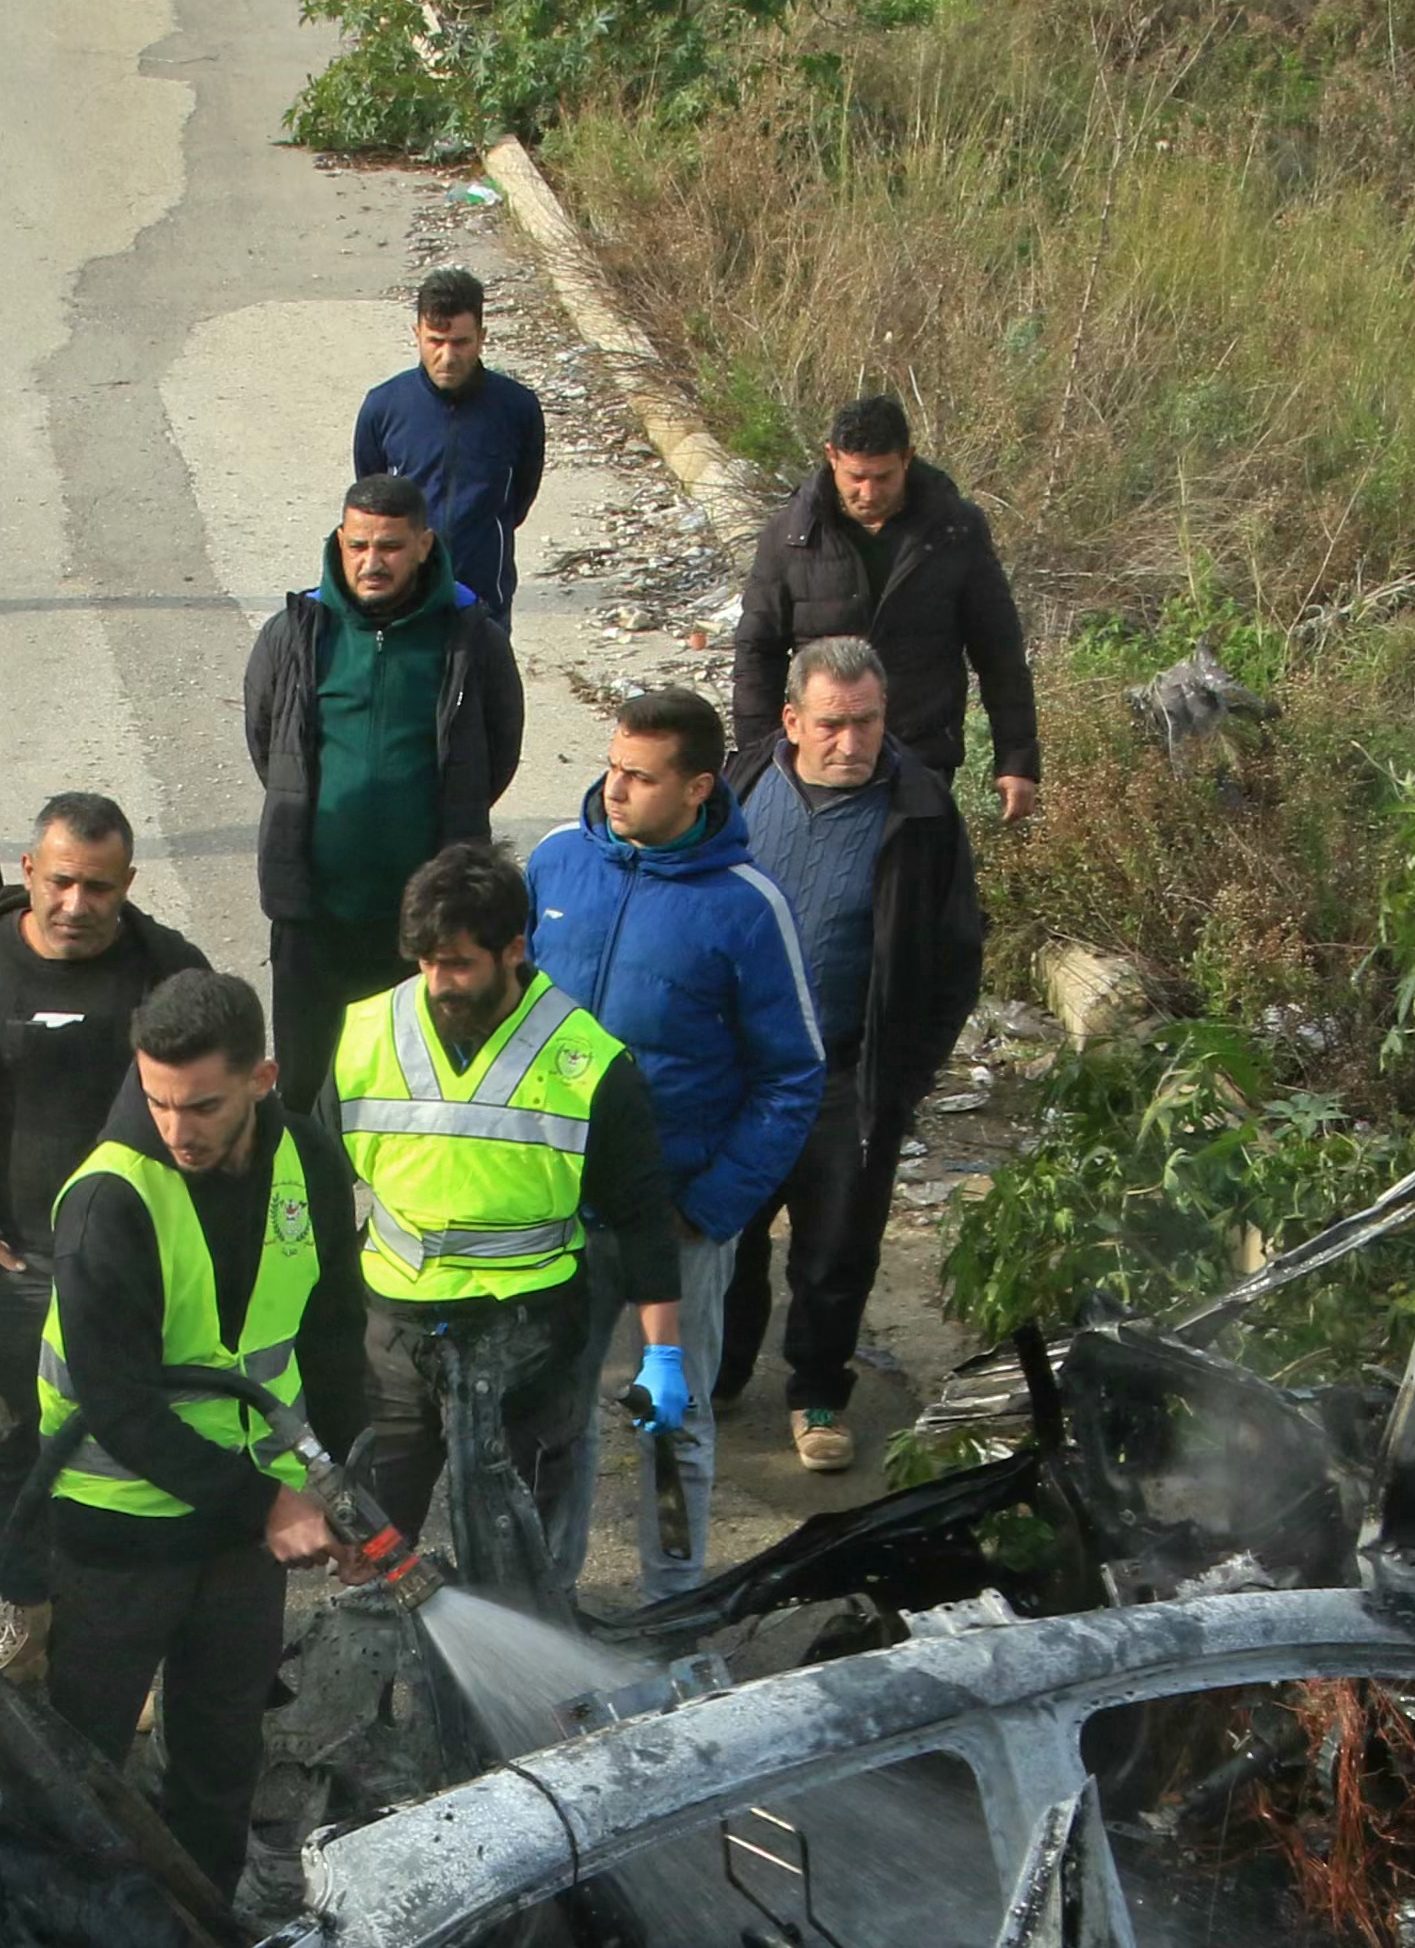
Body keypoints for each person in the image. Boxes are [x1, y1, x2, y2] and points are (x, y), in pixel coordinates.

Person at [31, 971, 365, 1897]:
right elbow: (121, 1409)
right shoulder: (109, 1202)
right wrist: (272, 1502)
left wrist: (339, 1489)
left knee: (221, 1755)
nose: (178, 1128)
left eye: (203, 1105)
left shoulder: (310, 1162)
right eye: (158, 1099)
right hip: (118, 1532)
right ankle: (79, 1927)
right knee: (88, 1763)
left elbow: (335, 1333)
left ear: (262, 1078)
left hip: (236, 1538)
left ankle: (204, 1925)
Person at [525, 686, 823, 1599]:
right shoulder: (556, 864)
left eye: (640, 777)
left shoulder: (746, 908)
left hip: (678, 1223)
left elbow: (794, 1073)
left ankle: (674, 1603)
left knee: (671, 1418)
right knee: (553, 1420)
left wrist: (713, 1207)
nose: (615, 790)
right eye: (612, 767)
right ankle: (549, 1599)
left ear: (698, 787)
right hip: (557, 1218)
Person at [334, 846, 687, 1593]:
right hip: (395, 1329)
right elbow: (314, 1177)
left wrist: (663, 1355)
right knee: (377, 1530)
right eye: (426, 962)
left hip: (528, 1340)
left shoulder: (588, 1063)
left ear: (515, 948)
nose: (439, 984)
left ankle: (530, 1657)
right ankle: (386, 1670)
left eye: (459, 964)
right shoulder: (365, 1034)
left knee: (515, 1536)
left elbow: (643, 1216)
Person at [0, 791, 211, 1623]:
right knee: (15, 1449)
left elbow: (216, 1104)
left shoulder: (169, 971)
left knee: (137, 1443)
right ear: (28, 871)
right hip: (7, 1258)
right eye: (63, 882)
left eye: (102, 889)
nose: (78, 906)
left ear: (130, 883)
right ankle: (31, 1618)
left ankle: (131, 1628)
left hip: (131, 1263)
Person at [725, 637, 986, 1471]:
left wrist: (903, 1077)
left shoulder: (922, 811)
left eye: (867, 721)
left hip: (848, 1075)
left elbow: (954, 958)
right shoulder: (739, 785)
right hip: (738, 1072)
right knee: (725, 1237)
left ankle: (817, 1393)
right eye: (832, 724)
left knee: (835, 1250)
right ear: (792, 720)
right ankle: (714, 1380)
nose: (852, 741)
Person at [243, 474, 523, 1112]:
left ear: (424, 545)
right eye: (359, 545)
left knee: (419, 1088)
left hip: (425, 919)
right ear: (340, 542)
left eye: (391, 547)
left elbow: (496, 754)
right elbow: (270, 746)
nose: (373, 562)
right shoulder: (293, 633)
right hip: (313, 911)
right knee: (305, 1092)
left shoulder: (470, 637)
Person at [727, 394, 1043, 826]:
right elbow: (757, 653)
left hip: (921, 754)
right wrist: (759, 759)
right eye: (856, 477)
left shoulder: (954, 531)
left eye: (883, 477)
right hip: (821, 756)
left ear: (907, 459)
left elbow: (999, 651)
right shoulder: (791, 537)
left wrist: (1017, 758)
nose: (869, 492)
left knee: (908, 887)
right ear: (831, 457)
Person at [350, 270, 548, 625]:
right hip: (405, 600)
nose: (447, 356)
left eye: (460, 342)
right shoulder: (383, 407)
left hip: (484, 600)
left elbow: (519, 498)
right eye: (435, 341)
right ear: (417, 336)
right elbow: (373, 498)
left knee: (480, 683)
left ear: (481, 338)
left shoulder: (517, 409)